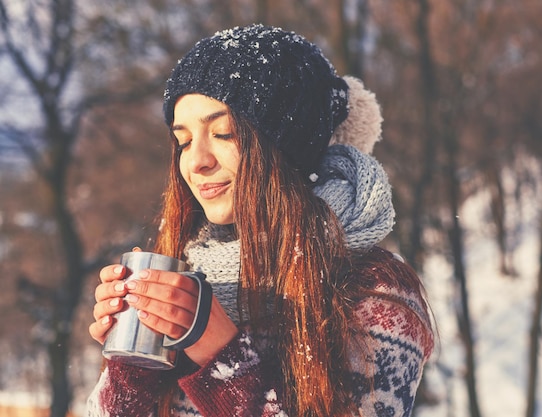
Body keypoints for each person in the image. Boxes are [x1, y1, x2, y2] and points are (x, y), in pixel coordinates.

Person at [86, 24, 434, 417]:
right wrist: (133, 364)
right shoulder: (190, 271)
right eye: (183, 141)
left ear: (288, 146)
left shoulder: (373, 292)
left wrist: (220, 354)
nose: (196, 161)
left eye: (224, 133)